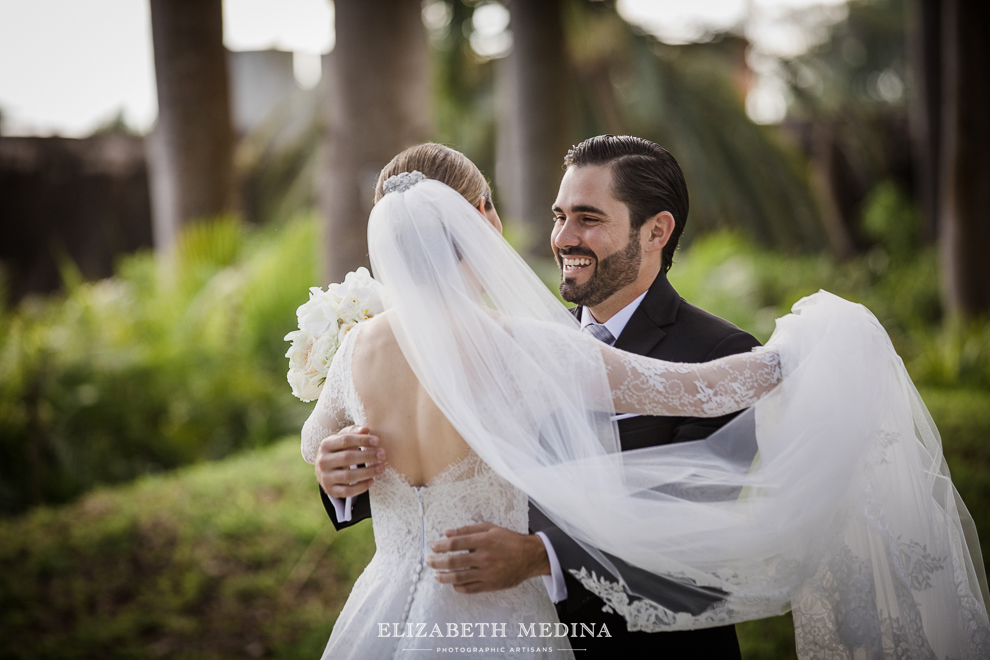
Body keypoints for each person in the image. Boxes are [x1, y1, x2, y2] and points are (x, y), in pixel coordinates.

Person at [307, 142, 988, 659]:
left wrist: (539, 553)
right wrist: (816, 342)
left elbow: (699, 531)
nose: (561, 236)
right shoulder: (533, 347)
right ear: (476, 221)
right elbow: (702, 392)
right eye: (557, 216)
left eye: (587, 218)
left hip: (388, 620)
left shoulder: (359, 349)